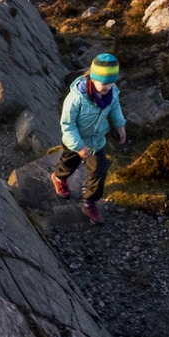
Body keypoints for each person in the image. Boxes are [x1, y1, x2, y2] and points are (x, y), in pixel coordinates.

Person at [53, 53, 128, 224]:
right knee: (68, 164)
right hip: (76, 141)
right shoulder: (76, 98)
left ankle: (89, 202)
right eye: (104, 83)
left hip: (97, 141)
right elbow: (67, 125)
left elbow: (115, 107)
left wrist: (119, 124)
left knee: (99, 171)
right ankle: (58, 177)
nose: (107, 87)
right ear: (93, 78)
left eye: (111, 82)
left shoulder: (112, 92)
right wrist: (79, 146)